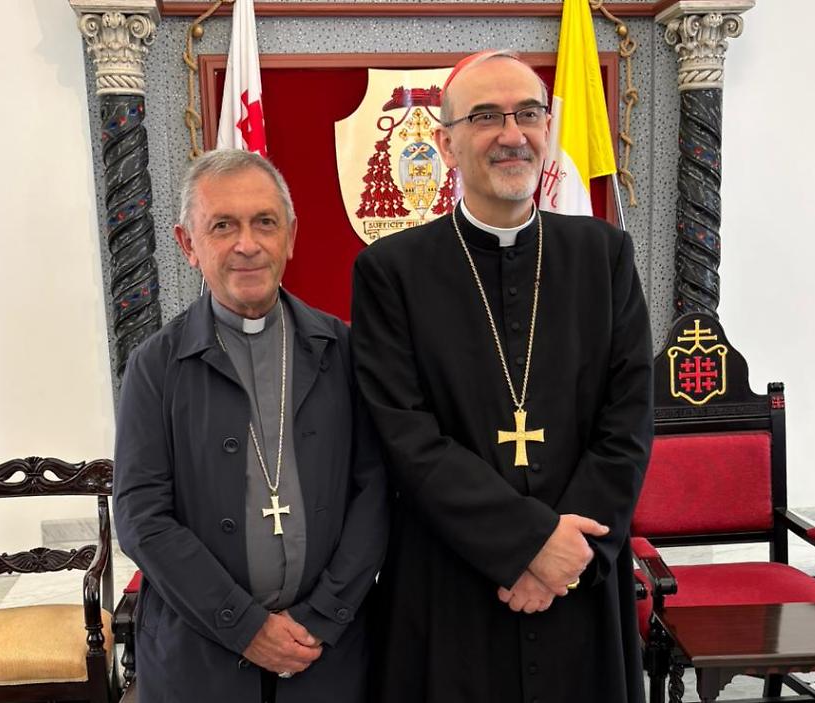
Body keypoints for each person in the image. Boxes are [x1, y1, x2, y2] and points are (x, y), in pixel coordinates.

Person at [351, 50, 653, 703]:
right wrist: (529, 542)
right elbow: (406, 437)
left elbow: (628, 422)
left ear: (548, 128)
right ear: (446, 142)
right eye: (485, 116)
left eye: (527, 113)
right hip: (452, 582)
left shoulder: (604, 256)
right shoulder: (391, 271)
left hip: (581, 571)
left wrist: (565, 556)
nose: (512, 133)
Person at [115, 149, 388, 703]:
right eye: (223, 226)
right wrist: (247, 627)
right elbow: (142, 517)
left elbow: (377, 490)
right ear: (188, 245)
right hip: (200, 657)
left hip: (328, 653)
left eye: (265, 222)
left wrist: (322, 615)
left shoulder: (345, 351)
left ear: (291, 236)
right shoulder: (155, 365)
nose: (247, 244)